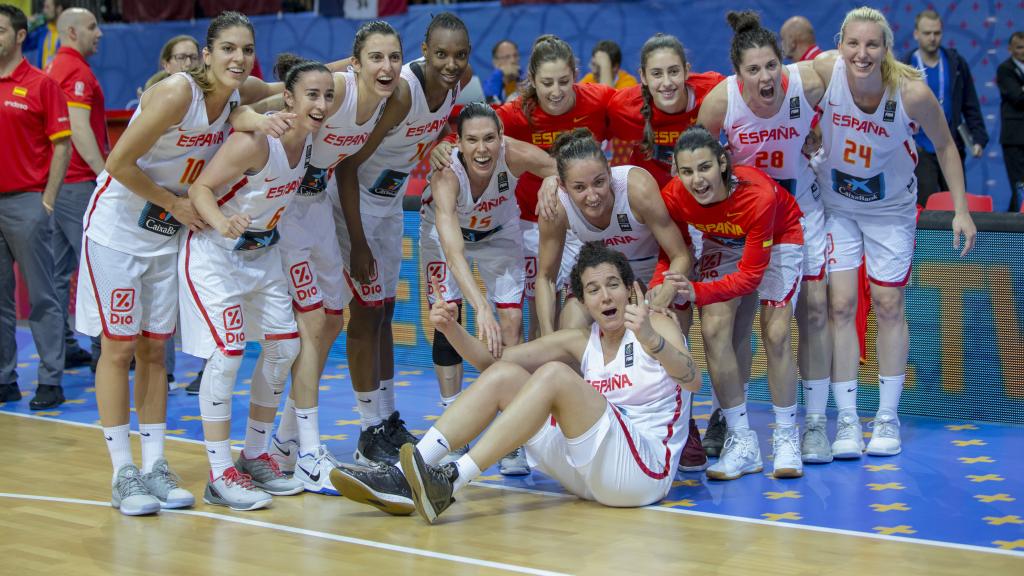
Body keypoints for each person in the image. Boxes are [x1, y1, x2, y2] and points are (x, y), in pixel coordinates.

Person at [76, 10, 290, 516]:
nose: (239, 58)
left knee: (155, 350)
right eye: (229, 49)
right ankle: (122, 473)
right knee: (119, 345)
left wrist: (364, 69)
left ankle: (155, 465)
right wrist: (174, 204)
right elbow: (117, 163)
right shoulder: (178, 92)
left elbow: (301, 81)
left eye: (247, 49)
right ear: (208, 52)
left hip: (167, 234)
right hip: (117, 229)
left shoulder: (239, 94)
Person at [330, 241, 701, 523]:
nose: (605, 296)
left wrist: (652, 339)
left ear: (630, 290)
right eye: (593, 289)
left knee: (555, 375)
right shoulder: (580, 341)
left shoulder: (655, 324)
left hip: (643, 473)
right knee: (506, 376)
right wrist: (450, 328)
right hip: (588, 475)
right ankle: (401, 478)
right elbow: (491, 364)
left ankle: (452, 480)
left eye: (613, 285)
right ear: (584, 302)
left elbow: (693, 380)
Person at [812, 7, 976, 457]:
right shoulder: (823, 74)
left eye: (872, 45)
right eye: (853, 43)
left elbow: (945, 145)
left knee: (887, 303)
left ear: (886, 48)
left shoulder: (911, 92)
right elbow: (772, 95)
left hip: (891, 212)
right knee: (840, 305)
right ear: (839, 44)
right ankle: (845, 419)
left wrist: (961, 210)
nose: (861, 54)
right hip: (837, 206)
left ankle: (886, 416)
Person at [261, 21, 408, 493]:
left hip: (318, 208)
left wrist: (358, 239)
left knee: (328, 324)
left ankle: (283, 440)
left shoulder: (387, 100)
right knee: (299, 330)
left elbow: (345, 165)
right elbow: (273, 101)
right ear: (356, 62)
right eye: (376, 57)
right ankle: (304, 451)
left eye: (393, 57)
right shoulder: (335, 90)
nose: (386, 67)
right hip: (281, 209)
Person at [180, 57, 332, 511]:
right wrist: (222, 222)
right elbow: (200, 190)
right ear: (288, 98)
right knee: (227, 354)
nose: (321, 104)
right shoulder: (255, 143)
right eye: (311, 94)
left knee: (285, 349)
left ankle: (254, 454)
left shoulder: (307, 144)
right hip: (216, 254)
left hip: (263, 255)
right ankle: (218, 471)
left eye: (328, 95)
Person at [329, 14, 473, 469]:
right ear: (424, 51)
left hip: (389, 204)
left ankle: (387, 419)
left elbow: (425, 137)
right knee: (366, 312)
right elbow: (348, 166)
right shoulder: (404, 91)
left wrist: (445, 142)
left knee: (386, 312)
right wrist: (357, 241)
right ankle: (368, 428)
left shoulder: (454, 85)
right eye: (442, 54)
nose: (451, 64)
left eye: (460, 55)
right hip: (354, 203)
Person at [697, 11, 832, 464]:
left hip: (797, 215)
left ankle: (811, 424)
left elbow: (851, 70)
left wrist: (819, 133)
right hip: (737, 222)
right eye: (753, 69)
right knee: (726, 326)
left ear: (783, 62)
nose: (765, 76)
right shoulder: (720, 104)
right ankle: (726, 418)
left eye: (771, 65)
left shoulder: (807, 82)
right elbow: (698, 168)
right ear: (738, 74)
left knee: (810, 314)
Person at [433, 35, 614, 344]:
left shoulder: (599, 100)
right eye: (547, 83)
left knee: (580, 309)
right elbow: (476, 129)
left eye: (563, 81)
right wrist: (445, 144)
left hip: (580, 221)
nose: (555, 91)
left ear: (575, 75)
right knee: (537, 315)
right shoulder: (517, 112)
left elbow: (641, 106)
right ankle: (542, 380)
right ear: (533, 81)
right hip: (532, 222)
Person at [655, 125, 805, 480]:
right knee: (714, 328)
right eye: (687, 171)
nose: (697, 180)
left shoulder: (759, 196)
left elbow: (751, 277)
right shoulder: (673, 196)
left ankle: (786, 437)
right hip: (722, 241)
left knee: (777, 333)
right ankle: (742, 442)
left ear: (722, 163)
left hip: (778, 236)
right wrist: (660, 287)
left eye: (704, 168)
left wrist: (698, 292)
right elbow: (671, 252)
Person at [605, 32, 723, 471]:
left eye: (674, 71)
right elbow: (577, 108)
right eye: (657, 73)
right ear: (643, 79)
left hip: (713, 225)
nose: (668, 81)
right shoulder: (623, 106)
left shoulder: (715, 89)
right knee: (669, 318)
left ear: (687, 71)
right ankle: (681, 423)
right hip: (667, 235)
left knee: (719, 327)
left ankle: (724, 419)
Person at [420, 103, 557, 458]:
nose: (482, 149)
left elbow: (556, 167)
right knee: (447, 316)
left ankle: (512, 427)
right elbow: (453, 253)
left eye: (489, 139)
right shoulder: (446, 176)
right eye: (472, 141)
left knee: (512, 324)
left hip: (499, 234)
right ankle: (454, 422)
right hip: (447, 241)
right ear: (458, 144)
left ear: (501, 137)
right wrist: (480, 305)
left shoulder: (515, 154)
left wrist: (551, 183)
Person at [0, 3, 70, 409]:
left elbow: (62, 144)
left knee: (42, 296)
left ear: (20, 35)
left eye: (1, 29)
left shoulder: (42, 84)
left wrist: (47, 200)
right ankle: (5, 377)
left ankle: (50, 379)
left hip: (27, 201)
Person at [46, 7, 104, 373]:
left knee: (55, 272)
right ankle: (106, 354)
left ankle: (62, 348)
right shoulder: (76, 71)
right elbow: (78, 129)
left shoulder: (54, 66)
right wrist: (105, 175)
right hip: (79, 182)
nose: (100, 33)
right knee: (101, 268)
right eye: (92, 26)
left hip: (60, 185)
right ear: (71, 32)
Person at [901, 9, 988, 206]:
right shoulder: (904, 66)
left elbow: (970, 103)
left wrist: (978, 138)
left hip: (951, 145)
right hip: (919, 149)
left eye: (937, 33)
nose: (932, 38)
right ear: (916, 34)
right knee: (925, 204)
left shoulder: (955, 63)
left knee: (956, 204)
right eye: (926, 33)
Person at [996, 31, 1024, 212]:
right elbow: (1018, 97)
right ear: (1010, 49)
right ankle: (1014, 229)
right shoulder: (1004, 69)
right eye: (1019, 47)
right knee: (1020, 185)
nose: (1023, 51)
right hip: (1014, 139)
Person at [22, 0, 61, 69]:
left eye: (47, 7)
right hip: (44, 76)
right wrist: (26, 26)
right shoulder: (42, 31)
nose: (44, 11)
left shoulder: (67, 33)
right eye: (44, 7)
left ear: (58, 9)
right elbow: (24, 46)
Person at [483, 39, 521, 104]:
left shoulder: (527, 78)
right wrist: (499, 73)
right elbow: (491, 102)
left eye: (515, 56)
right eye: (507, 57)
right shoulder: (491, 81)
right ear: (495, 62)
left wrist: (512, 80)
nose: (513, 60)